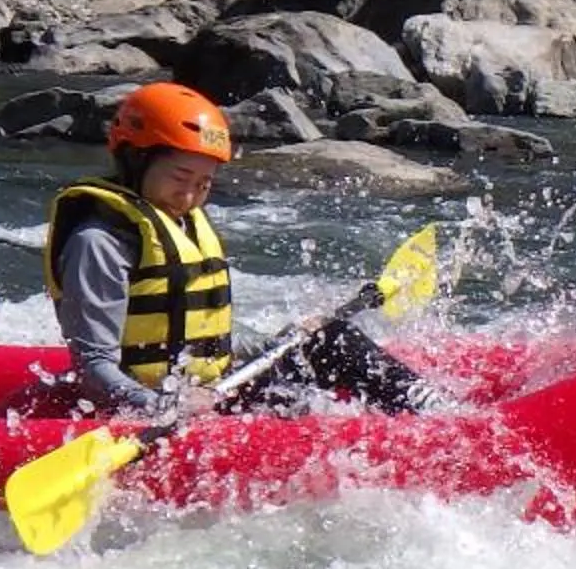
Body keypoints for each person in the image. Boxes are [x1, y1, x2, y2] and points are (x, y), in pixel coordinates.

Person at [43, 80, 431, 417]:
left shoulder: (181, 223)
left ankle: (433, 412)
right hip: (150, 405)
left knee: (328, 338)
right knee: (312, 379)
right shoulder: (98, 245)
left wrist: (281, 339)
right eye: (181, 177)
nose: (192, 193)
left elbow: (205, 342)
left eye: (205, 183)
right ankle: (435, 424)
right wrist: (162, 406)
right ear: (136, 158)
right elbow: (93, 367)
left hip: (208, 390)